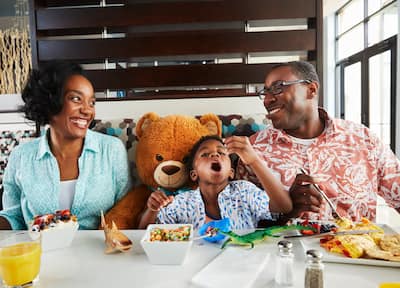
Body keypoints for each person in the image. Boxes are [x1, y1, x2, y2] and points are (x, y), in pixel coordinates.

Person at [234, 60, 400, 223]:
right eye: (265, 92)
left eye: (278, 87)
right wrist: (285, 210)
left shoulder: (364, 141)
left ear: (311, 90)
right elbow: (243, 222)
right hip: (283, 250)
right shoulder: (253, 150)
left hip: (356, 248)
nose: (267, 99)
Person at [0, 61, 131, 230]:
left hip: (98, 253)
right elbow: (13, 217)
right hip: (41, 253)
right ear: (50, 102)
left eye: (91, 102)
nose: (87, 110)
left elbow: (126, 210)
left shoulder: (112, 150)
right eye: (76, 99)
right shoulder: (21, 156)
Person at [138, 135, 292, 230]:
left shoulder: (244, 192)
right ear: (194, 174)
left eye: (221, 152)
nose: (214, 154)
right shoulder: (182, 202)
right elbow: (145, 233)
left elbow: (284, 207)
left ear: (231, 172)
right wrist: (152, 210)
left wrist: (253, 160)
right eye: (205, 154)